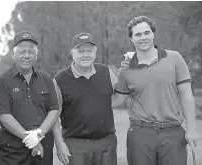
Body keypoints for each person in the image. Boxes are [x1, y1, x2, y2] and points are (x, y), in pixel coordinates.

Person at [112, 16, 201, 165]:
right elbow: (117, 100)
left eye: (147, 33)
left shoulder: (174, 58)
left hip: (172, 132)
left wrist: (191, 129)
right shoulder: (126, 68)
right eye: (138, 35)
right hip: (140, 134)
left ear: (153, 34)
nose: (143, 38)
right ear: (131, 39)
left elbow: (186, 94)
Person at [0, 31, 59, 165]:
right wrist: (31, 140)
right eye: (22, 52)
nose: (27, 56)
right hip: (12, 149)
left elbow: (54, 110)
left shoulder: (46, 79)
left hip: (43, 145)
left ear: (36, 55)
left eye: (31, 52)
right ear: (13, 55)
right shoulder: (2, 81)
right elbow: (4, 117)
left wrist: (38, 134)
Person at [52, 32, 118, 165]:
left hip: (107, 142)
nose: (85, 55)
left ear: (95, 52)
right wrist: (59, 144)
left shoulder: (106, 72)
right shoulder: (60, 79)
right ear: (72, 52)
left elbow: (122, 94)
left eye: (89, 50)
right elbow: (53, 116)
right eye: (81, 51)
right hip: (75, 144)